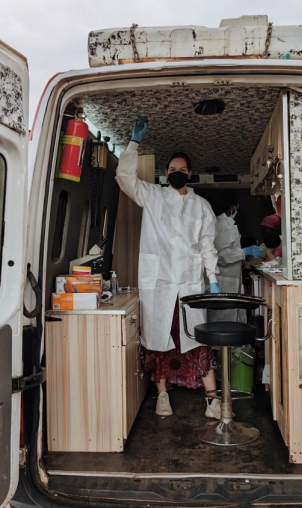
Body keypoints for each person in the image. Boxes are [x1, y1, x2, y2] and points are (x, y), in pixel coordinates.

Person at [116, 119, 223, 418]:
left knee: (197, 339)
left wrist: (212, 279)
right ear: (166, 174)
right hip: (160, 283)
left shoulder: (201, 206)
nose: (177, 173)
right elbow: (124, 177)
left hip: (189, 283)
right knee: (159, 339)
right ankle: (162, 396)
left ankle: (212, 400)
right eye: (172, 170)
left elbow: (207, 246)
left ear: (190, 174)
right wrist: (133, 143)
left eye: (182, 170)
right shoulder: (152, 196)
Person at [208, 194, 264, 323]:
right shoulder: (222, 225)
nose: (236, 211)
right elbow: (221, 256)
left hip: (231, 279)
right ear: (232, 207)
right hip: (224, 280)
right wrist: (244, 252)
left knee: (233, 316)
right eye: (236, 208)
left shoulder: (228, 224)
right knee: (224, 319)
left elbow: (231, 250)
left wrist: (245, 255)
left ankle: (231, 343)